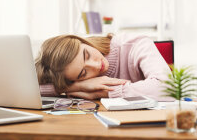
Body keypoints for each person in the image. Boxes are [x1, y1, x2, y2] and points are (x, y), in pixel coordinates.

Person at [35, 33, 172, 101]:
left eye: (87, 55)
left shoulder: (134, 44)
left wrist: (107, 92)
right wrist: (76, 87)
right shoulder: (75, 81)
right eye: (83, 73)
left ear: (82, 41)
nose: (95, 66)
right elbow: (32, 90)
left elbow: (168, 88)